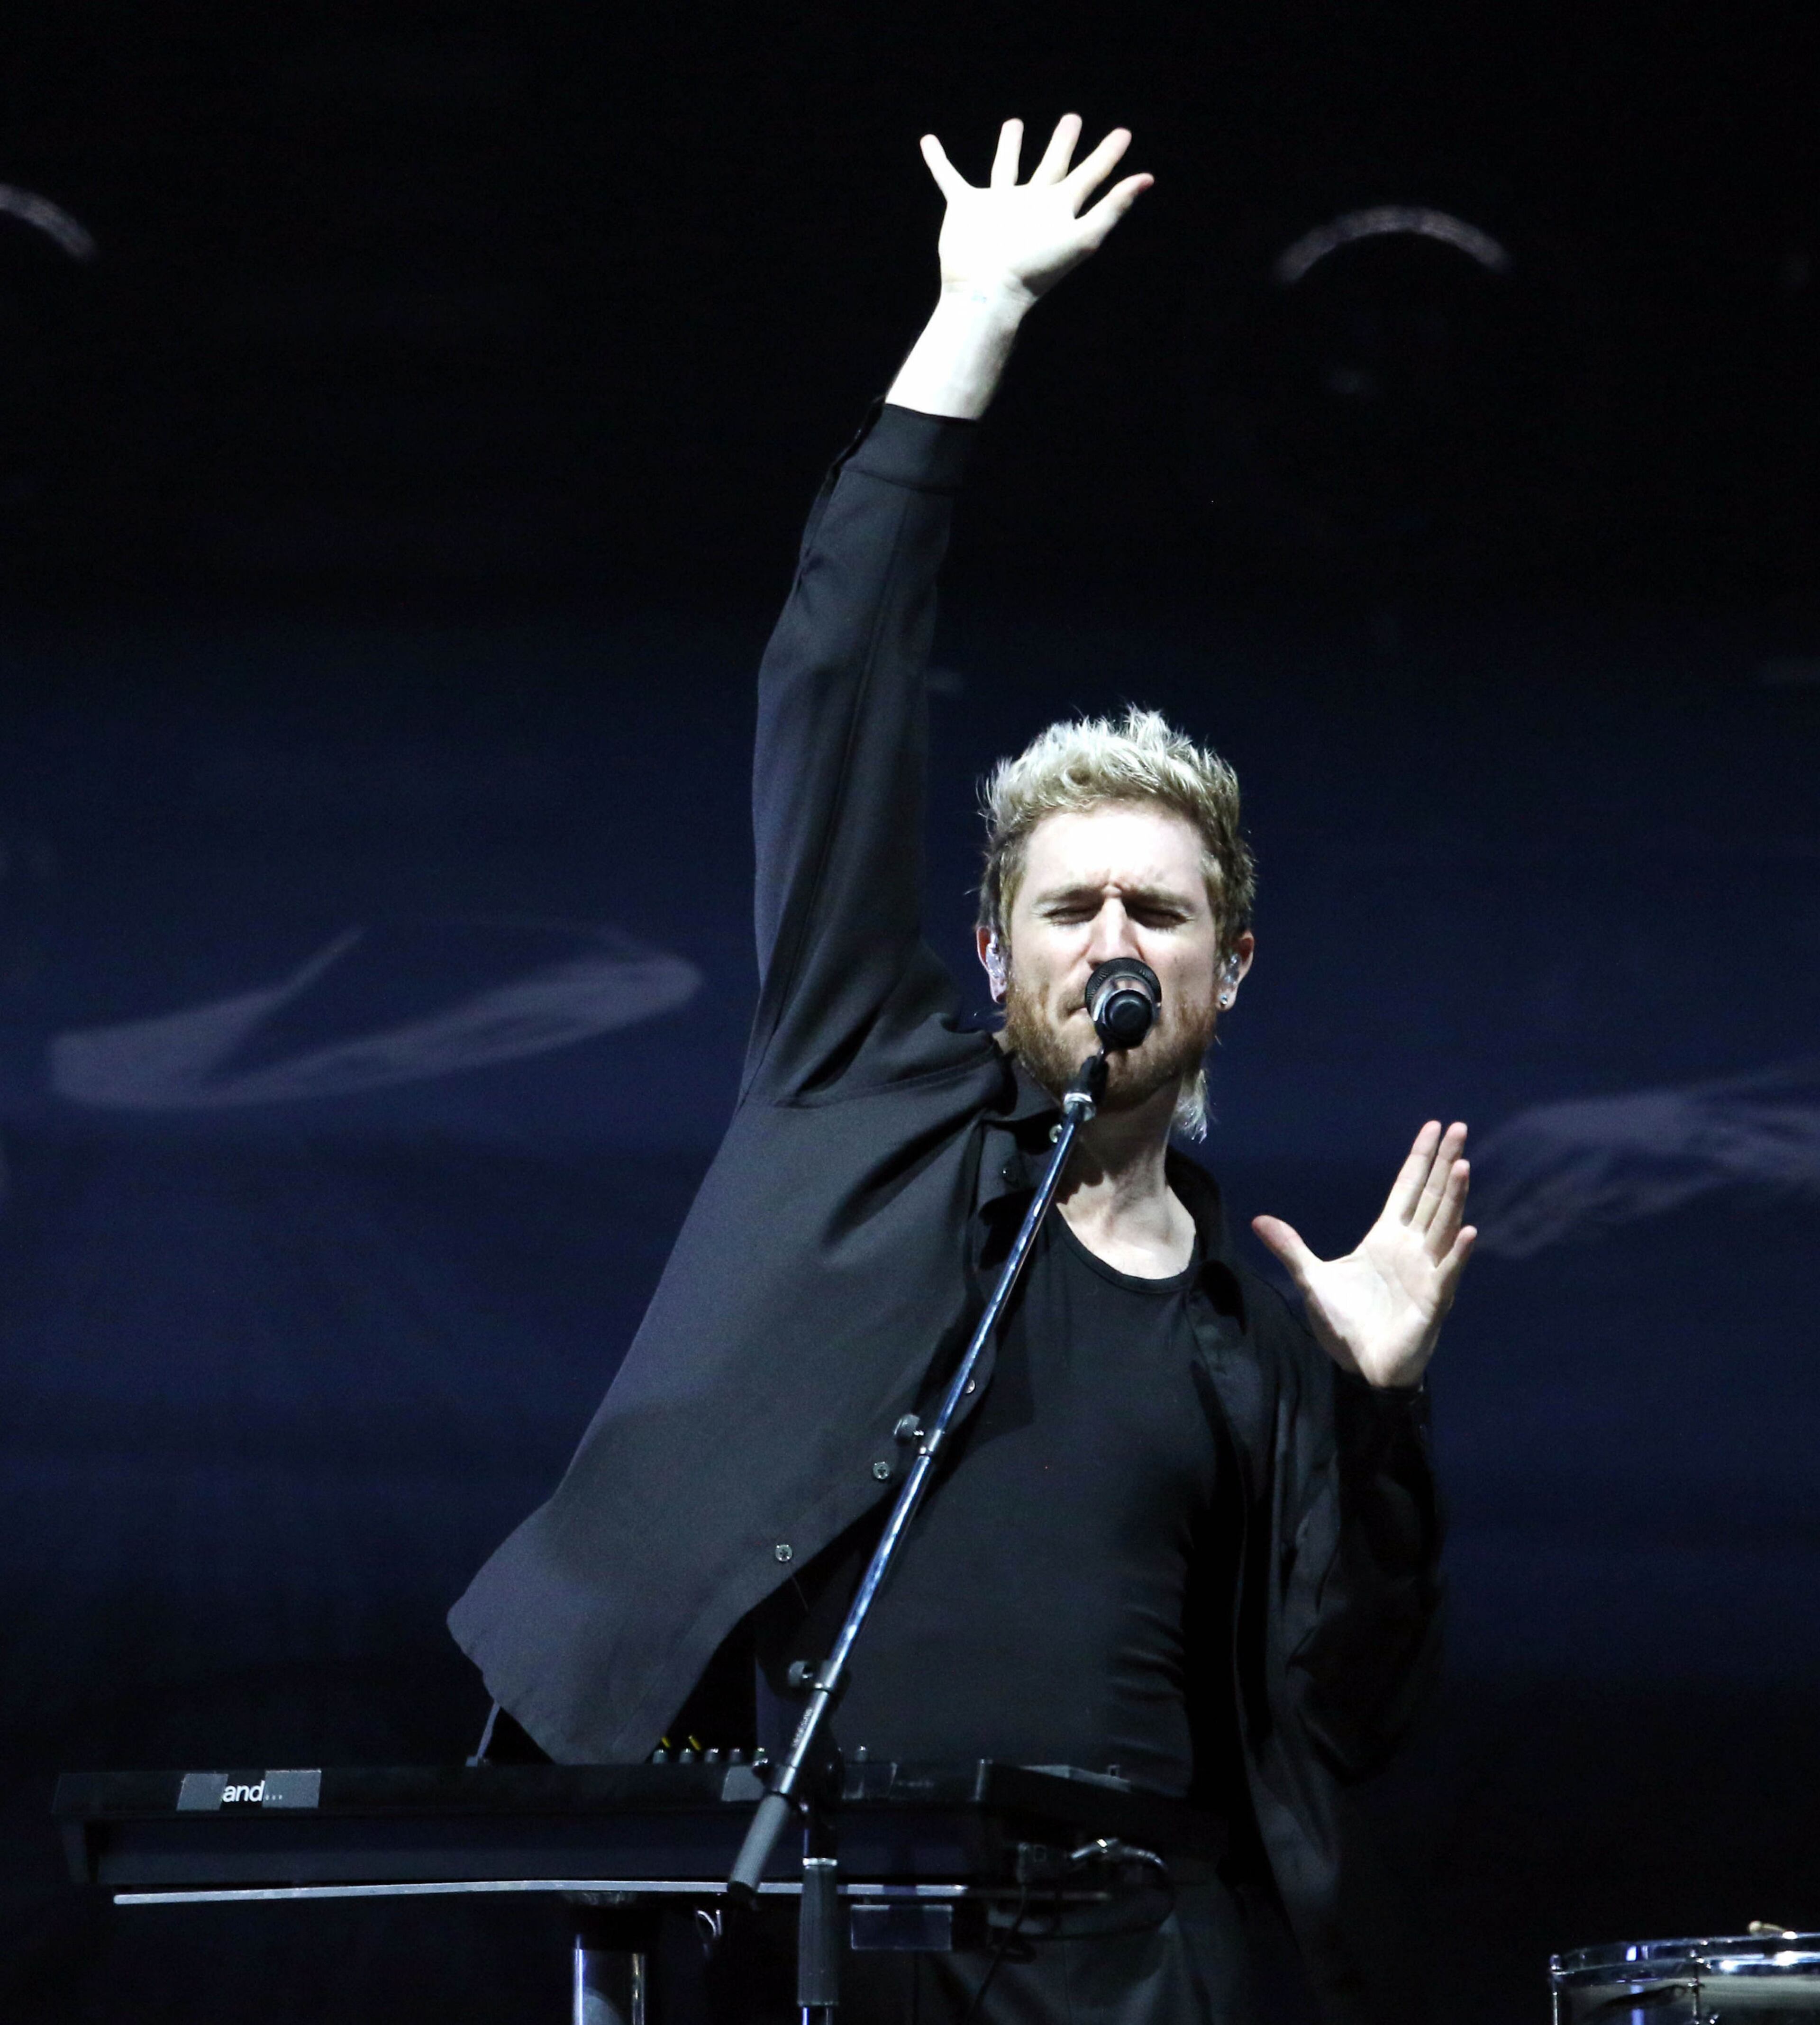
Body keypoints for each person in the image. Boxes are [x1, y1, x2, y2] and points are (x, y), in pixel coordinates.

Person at [450, 113, 1474, 2025]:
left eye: (1160, 914)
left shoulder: (1262, 1322)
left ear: (1231, 970)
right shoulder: (868, 1096)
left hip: (1149, 1964)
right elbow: (830, 687)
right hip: (834, 1933)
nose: (1113, 941)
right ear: (991, 952)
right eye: (1070, 906)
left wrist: (1383, 1413)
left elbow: (1344, 1709)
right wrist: (970, 326)